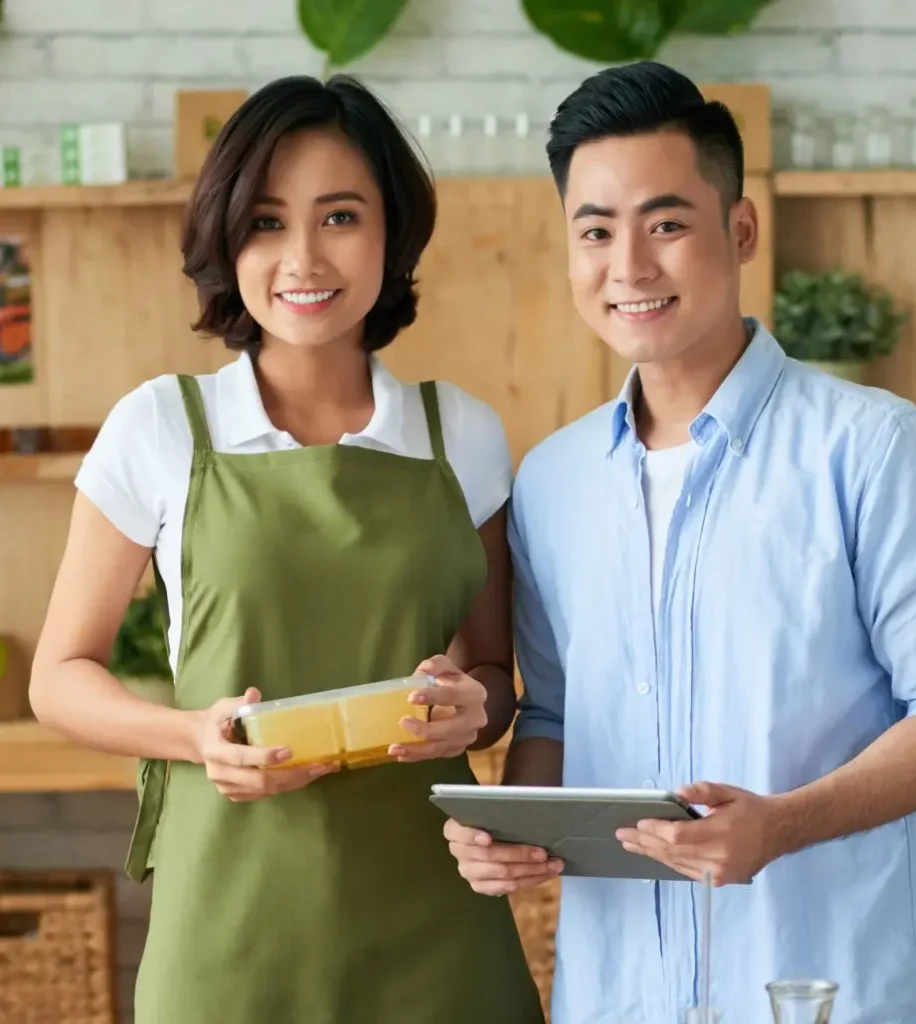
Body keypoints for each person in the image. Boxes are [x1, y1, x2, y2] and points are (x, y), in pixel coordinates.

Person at [444, 61, 916, 1024]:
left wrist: (784, 825)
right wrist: (513, 828)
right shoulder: (550, 481)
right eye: (595, 231)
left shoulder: (873, 447)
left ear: (739, 230)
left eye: (666, 224)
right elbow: (550, 717)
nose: (627, 266)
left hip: (821, 992)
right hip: (616, 997)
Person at [29, 74, 544, 1024]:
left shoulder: (458, 435)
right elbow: (58, 674)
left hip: (432, 915)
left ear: (392, 235)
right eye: (266, 221)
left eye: (340, 215)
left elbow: (494, 673)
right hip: (227, 921)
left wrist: (472, 707)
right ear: (226, 240)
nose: (303, 256)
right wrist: (194, 736)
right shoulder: (161, 427)